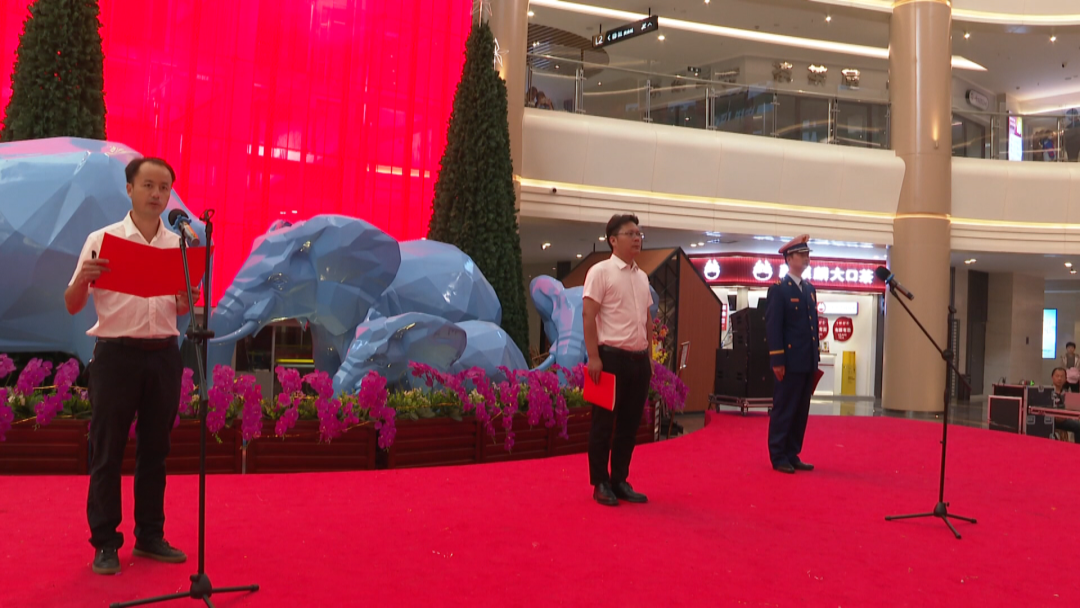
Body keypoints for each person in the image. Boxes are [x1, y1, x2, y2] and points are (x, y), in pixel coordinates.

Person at [65, 157, 196, 575]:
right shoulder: (102, 239)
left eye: (164, 188)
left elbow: (181, 308)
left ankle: (150, 535)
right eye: (148, 185)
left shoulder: (179, 246)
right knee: (107, 451)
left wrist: (186, 297)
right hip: (116, 355)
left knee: (156, 450)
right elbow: (72, 305)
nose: (157, 194)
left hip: (163, 355)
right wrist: (82, 279)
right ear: (129, 189)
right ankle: (105, 542)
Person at [582, 214, 653, 506]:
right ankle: (600, 482)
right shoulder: (600, 272)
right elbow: (588, 315)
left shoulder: (642, 276)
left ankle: (619, 479)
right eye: (630, 233)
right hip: (610, 359)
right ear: (613, 240)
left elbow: (647, 319)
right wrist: (593, 357)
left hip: (639, 360)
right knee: (603, 424)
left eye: (639, 234)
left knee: (629, 425)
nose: (637, 238)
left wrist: (649, 357)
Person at [764, 235, 820, 474]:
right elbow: (773, 327)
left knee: (800, 411)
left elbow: (812, 327)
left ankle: (792, 452)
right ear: (789, 258)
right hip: (789, 361)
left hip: (806, 361)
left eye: (807, 254)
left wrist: (815, 359)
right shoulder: (779, 290)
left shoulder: (809, 289)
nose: (806, 258)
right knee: (785, 409)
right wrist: (777, 360)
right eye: (801, 254)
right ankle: (778, 455)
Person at [1050, 367, 1080, 443]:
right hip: (1053, 420)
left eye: (1062, 376)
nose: (1059, 378)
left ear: (1066, 379)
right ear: (1052, 377)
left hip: (1065, 418)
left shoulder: (1067, 393)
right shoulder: (1048, 392)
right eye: (1057, 376)